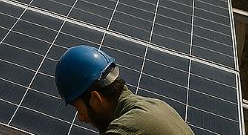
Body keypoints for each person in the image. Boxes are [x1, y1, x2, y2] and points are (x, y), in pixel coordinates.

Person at [55, 45, 193, 134]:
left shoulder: (126, 129)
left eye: (78, 108)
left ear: (96, 99)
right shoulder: (157, 105)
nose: (80, 117)